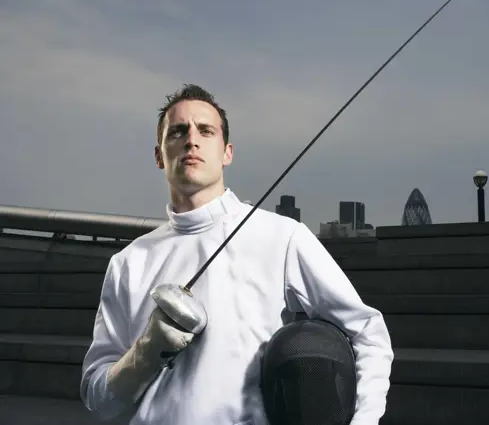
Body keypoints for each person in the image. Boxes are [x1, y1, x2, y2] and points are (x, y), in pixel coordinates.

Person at [80, 84, 394, 425]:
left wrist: (364, 421)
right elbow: (98, 398)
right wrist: (145, 353)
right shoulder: (129, 262)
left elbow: (367, 331)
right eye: (178, 131)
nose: (191, 140)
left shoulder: (281, 236)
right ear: (159, 155)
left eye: (206, 131)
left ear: (227, 152)